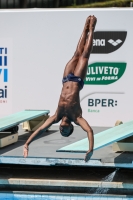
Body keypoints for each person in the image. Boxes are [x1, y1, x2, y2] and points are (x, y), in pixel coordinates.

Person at [23, 15, 97, 162]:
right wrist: (90, 149)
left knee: (76, 53)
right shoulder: (77, 117)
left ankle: (85, 27)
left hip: (66, 78)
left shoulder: (56, 116)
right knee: (84, 56)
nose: (62, 130)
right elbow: (89, 130)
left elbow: (40, 129)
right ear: (71, 128)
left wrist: (26, 144)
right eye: (65, 131)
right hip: (77, 80)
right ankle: (92, 28)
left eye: (61, 131)